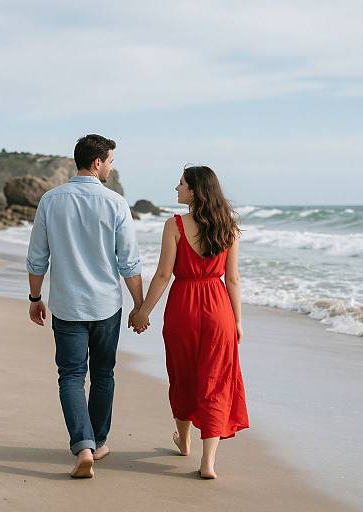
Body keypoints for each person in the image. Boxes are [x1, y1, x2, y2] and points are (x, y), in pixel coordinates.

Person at [26, 134, 144, 478]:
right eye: (110, 161)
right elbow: (130, 263)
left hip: (66, 305)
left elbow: (37, 258)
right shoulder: (116, 203)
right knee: (103, 373)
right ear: (97, 162)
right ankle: (99, 441)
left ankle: (83, 446)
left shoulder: (51, 200)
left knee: (72, 376)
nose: (111, 166)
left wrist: (35, 298)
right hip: (107, 305)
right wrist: (140, 306)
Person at [130, 166, 249, 479]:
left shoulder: (175, 225)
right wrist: (237, 321)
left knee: (182, 376)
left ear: (196, 190)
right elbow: (233, 280)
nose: (176, 188)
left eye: (181, 183)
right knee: (215, 381)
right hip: (219, 309)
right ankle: (207, 463)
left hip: (183, 307)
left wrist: (143, 311)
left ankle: (184, 441)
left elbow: (163, 275)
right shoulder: (229, 227)